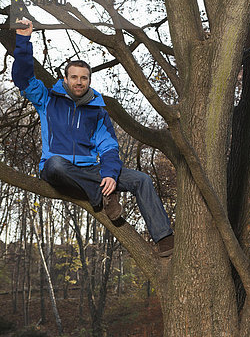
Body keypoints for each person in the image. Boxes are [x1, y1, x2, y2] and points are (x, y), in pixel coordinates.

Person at [12, 19, 174, 257]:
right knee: (55, 163)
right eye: (74, 77)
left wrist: (108, 173)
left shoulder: (97, 112)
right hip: (59, 170)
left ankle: (165, 240)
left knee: (141, 179)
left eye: (84, 78)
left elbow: (109, 147)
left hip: (92, 171)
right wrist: (23, 40)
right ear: (65, 79)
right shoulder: (47, 100)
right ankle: (102, 195)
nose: (79, 81)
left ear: (89, 81)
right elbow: (23, 77)